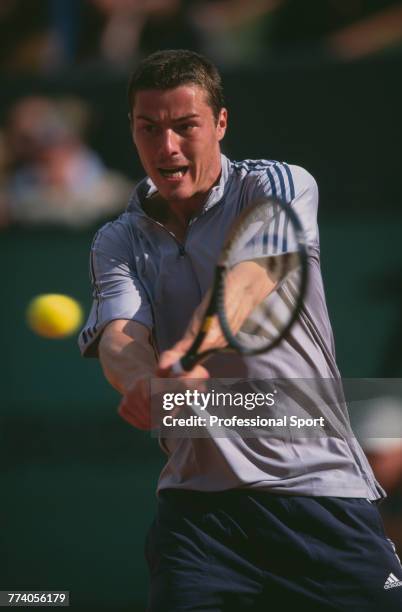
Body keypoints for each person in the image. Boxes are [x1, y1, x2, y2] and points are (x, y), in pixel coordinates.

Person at [79, 49, 402, 611]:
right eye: (148, 129)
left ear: (221, 124)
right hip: (197, 518)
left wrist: (188, 350)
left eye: (186, 127)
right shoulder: (118, 239)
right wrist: (139, 383)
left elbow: (253, 279)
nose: (167, 147)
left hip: (319, 493)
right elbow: (120, 336)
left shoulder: (279, 184)